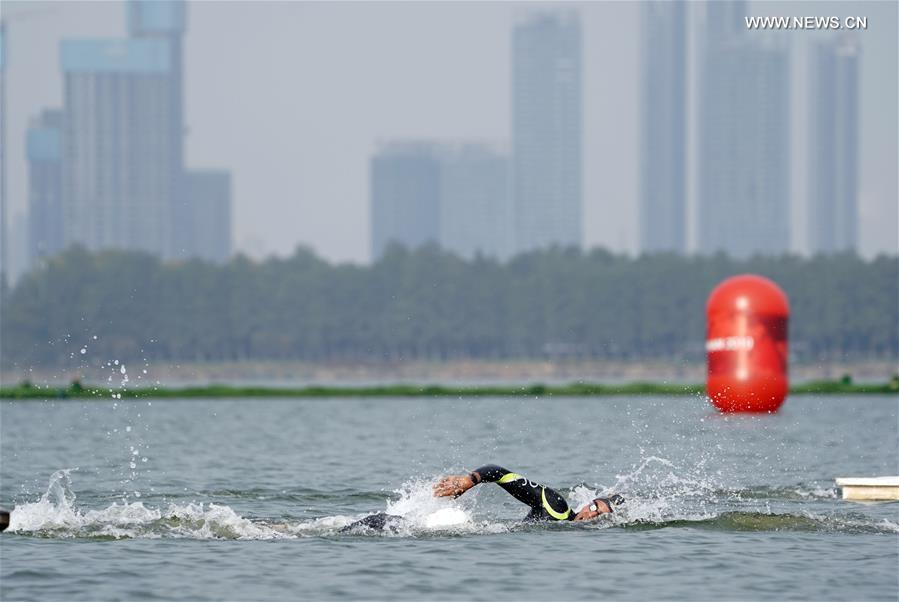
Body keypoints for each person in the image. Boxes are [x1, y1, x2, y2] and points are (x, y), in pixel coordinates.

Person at [342, 464, 624, 532]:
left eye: (601, 515)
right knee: (388, 524)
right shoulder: (557, 506)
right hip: (466, 532)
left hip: (478, 534)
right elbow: (498, 472)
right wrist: (468, 482)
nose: (593, 514)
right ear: (589, 503)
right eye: (595, 507)